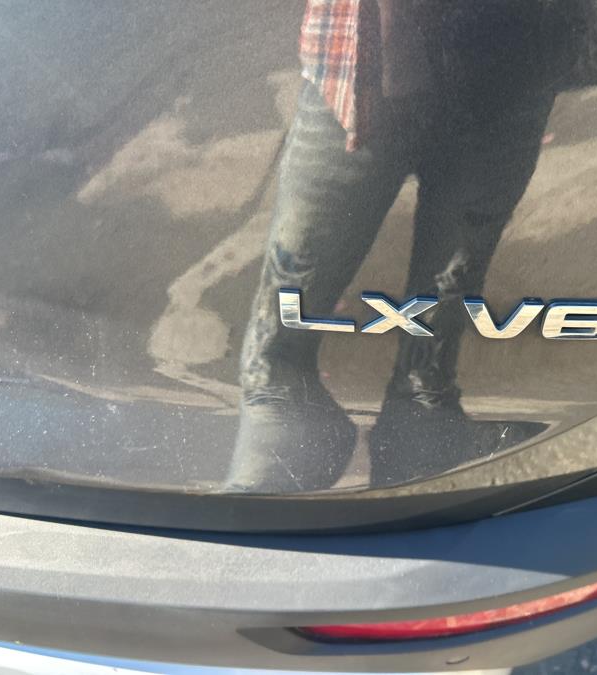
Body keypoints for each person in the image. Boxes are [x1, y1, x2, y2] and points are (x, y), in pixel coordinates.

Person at [229, 0, 569, 492]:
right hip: (365, 54)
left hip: (513, 50)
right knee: (278, 354)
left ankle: (415, 426)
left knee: (423, 366)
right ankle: (342, 427)